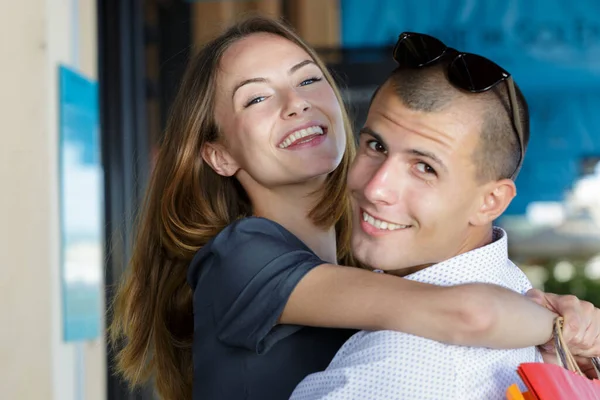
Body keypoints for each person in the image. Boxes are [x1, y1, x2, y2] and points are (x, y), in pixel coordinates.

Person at [108, 17, 600, 400]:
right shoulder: (240, 257)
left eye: (306, 80)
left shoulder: (365, 255)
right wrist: (559, 324)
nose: (294, 104)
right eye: (256, 97)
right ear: (220, 154)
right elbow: (465, 313)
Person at [291, 32, 600, 400]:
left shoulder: (395, 369)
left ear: (490, 202)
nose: (376, 188)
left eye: (424, 168)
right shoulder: (519, 296)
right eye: (376, 146)